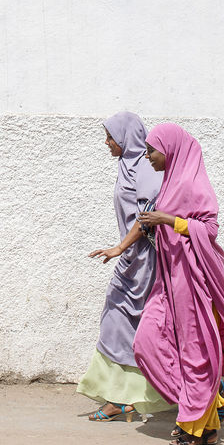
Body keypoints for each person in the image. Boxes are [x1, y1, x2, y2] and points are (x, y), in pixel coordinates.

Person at [134, 123, 224, 445]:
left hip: (192, 283)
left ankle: (197, 426)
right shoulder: (169, 184)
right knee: (147, 341)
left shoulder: (192, 182)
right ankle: (203, 407)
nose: (148, 157)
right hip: (169, 281)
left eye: (152, 150)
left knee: (194, 351)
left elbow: (208, 228)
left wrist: (166, 220)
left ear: (170, 150)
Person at [77, 112, 169, 422]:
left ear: (126, 137)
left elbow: (147, 216)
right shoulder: (127, 167)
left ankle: (213, 388)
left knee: (151, 327)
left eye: (110, 137)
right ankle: (119, 397)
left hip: (147, 263)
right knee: (116, 323)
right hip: (132, 261)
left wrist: (119, 247)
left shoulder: (146, 167)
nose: (107, 142)